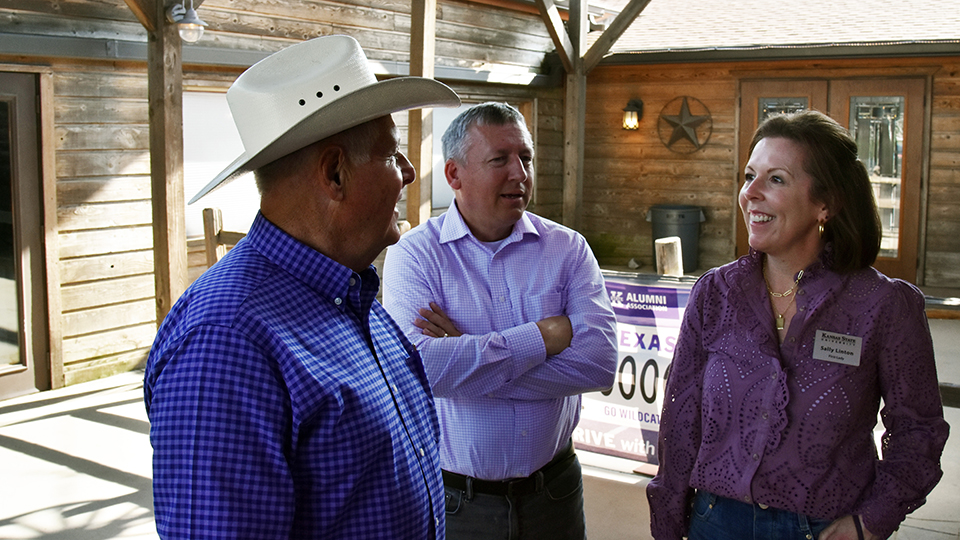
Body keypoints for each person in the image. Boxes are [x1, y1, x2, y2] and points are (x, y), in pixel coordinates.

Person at [144, 35, 460, 539]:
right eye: (391, 153)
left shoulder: (350, 295)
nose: (406, 172)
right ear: (335, 172)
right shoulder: (227, 343)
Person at [647, 110, 949, 540]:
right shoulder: (715, 294)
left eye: (776, 179)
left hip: (819, 529)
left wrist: (871, 522)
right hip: (713, 522)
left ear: (825, 203)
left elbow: (919, 432)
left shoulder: (884, 306)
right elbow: (680, 425)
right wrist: (668, 524)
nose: (750, 193)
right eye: (749, 176)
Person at [381, 102, 619, 539]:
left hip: (555, 492)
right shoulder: (413, 255)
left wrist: (469, 355)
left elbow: (599, 363)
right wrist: (542, 337)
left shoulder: (568, 249)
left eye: (525, 157)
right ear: (454, 175)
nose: (520, 174)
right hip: (457, 501)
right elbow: (419, 370)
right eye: (500, 160)